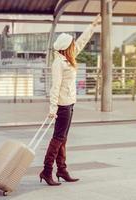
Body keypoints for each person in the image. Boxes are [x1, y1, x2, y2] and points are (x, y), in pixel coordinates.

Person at [40, 14, 101, 186]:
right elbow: (55, 87)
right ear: (66, 47)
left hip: (70, 104)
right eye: (72, 45)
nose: (75, 46)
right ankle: (46, 171)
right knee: (58, 138)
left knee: (63, 138)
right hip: (62, 106)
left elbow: (81, 42)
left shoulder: (68, 58)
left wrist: (93, 25)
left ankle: (62, 170)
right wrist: (53, 109)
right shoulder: (58, 63)